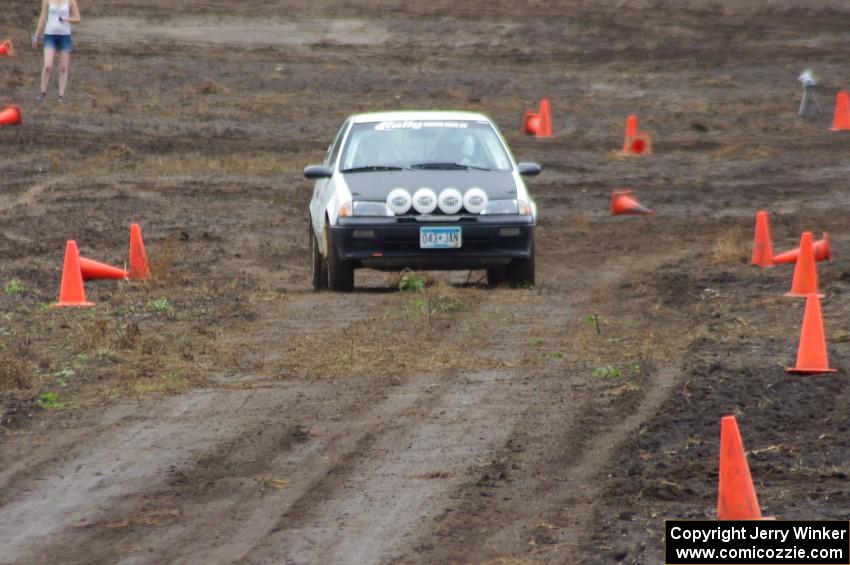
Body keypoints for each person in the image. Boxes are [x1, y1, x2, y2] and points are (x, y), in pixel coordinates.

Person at [32, 0, 81, 103]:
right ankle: (42, 93)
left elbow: (77, 19)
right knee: (47, 66)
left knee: (63, 68)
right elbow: (43, 17)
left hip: (65, 36)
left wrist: (67, 19)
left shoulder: (70, 1)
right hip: (50, 35)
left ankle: (61, 95)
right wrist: (36, 35)